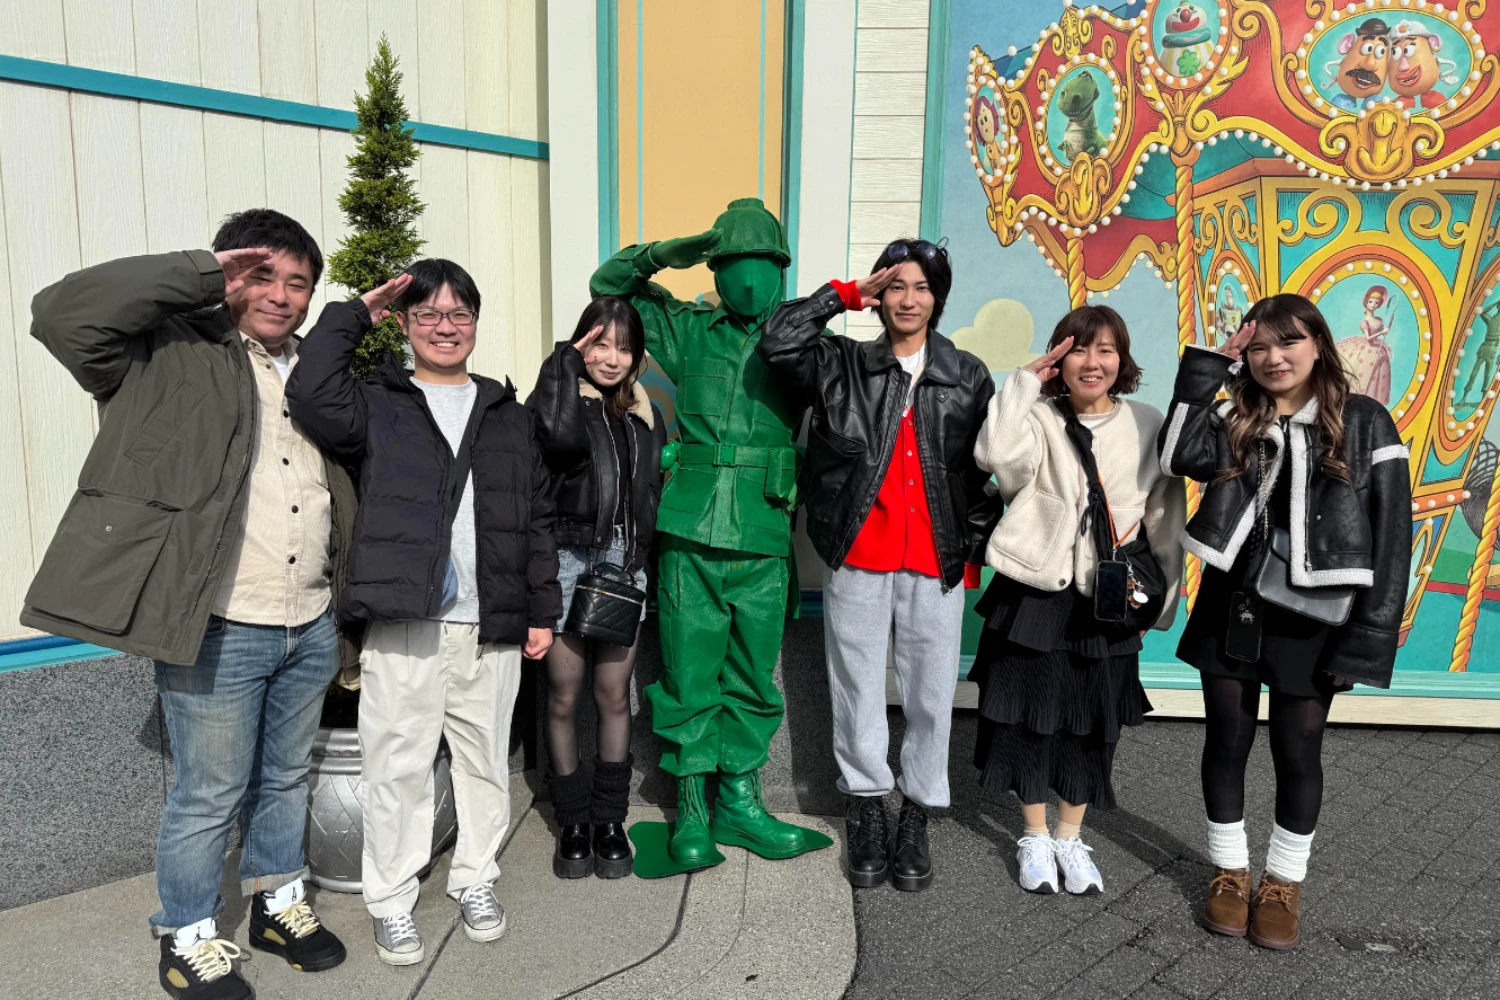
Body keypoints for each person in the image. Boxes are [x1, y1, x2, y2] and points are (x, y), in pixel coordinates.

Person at [22, 210, 353, 1000]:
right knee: (208, 793)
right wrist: (199, 272)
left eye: (297, 282)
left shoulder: (315, 373)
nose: (280, 295)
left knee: (285, 778)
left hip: (310, 617)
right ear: (228, 274)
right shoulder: (164, 354)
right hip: (219, 623)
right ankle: (187, 933)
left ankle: (277, 902)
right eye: (261, 276)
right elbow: (60, 314)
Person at [286, 259, 561, 965]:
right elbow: (309, 392)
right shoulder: (379, 403)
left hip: (490, 622)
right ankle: (391, 898)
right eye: (428, 314)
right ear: (406, 325)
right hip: (405, 619)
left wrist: (541, 609)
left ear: (476, 322)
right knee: (396, 766)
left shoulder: (507, 414)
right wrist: (356, 313)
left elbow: (536, 519)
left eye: (459, 314)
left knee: (484, 765)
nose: (445, 327)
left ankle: (476, 878)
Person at [1160, 294, 1411, 950]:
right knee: (1226, 740)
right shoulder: (1238, 415)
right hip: (1233, 602)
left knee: (1298, 751)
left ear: (1318, 345)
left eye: (1288, 342)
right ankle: (1230, 872)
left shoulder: (1365, 422)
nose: (1274, 358)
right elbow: (1176, 455)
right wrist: (1210, 368)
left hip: (1315, 614)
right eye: (1260, 347)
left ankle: (1283, 883)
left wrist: (1367, 639)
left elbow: (1391, 538)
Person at [589, 198, 821, 868]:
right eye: (733, 263)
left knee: (753, 676)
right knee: (689, 672)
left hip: (764, 531)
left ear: (781, 268)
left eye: (762, 263)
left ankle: (740, 804)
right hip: (690, 529)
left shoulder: (799, 340)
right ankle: (691, 806)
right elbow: (608, 285)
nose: (748, 278)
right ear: (715, 270)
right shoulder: (688, 330)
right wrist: (669, 252)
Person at [759, 240, 994, 892]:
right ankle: (866, 804)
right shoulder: (841, 362)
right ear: (879, 295)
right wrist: (842, 295)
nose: (908, 299)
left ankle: (916, 810)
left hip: (935, 561)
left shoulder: (967, 374)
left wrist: (970, 555)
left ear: (937, 297)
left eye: (921, 286)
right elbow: (777, 343)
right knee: (857, 686)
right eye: (895, 286)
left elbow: (980, 475)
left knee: (930, 694)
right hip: (858, 553)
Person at [969, 306, 1185, 896]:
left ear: (1122, 359)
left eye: (1106, 350)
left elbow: (1164, 519)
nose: (1093, 362)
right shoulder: (1038, 417)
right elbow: (995, 458)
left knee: (1093, 722)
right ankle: (1034, 835)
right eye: (1079, 349)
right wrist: (1024, 384)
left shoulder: (1147, 422)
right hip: (1036, 590)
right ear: (1060, 358)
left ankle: (1070, 836)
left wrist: (1162, 599)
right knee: (1029, 718)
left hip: (1108, 594)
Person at [527, 296, 666, 879]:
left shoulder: (646, 414)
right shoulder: (558, 401)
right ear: (581, 342)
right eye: (599, 344)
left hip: (623, 564)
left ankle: (610, 820)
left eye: (624, 348)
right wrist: (564, 363)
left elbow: (651, 491)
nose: (612, 358)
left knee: (613, 695)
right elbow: (557, 442)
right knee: (563, 694)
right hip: (565, 557)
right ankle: (572, 822)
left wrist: (641, 559)